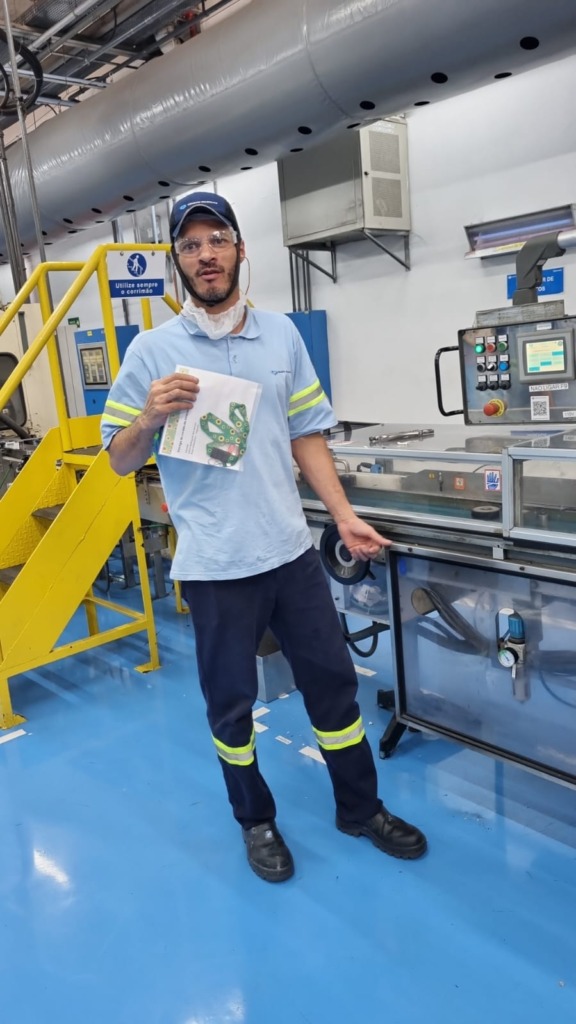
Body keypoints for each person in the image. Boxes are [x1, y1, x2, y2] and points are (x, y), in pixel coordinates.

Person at [101, 190, 427, 882]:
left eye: (217, 240)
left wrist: (342, 514)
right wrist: (148, 418)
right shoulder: (153, 352)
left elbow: (307, 435)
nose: (206, 255)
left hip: (289, 553)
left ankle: (360, 808)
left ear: (240, 249)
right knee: (231, 707)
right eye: (191, 245)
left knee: (334, 688)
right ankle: (255, 820)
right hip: (215, 565)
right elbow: (119, 460)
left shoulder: (281, 337)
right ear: (177, 260)